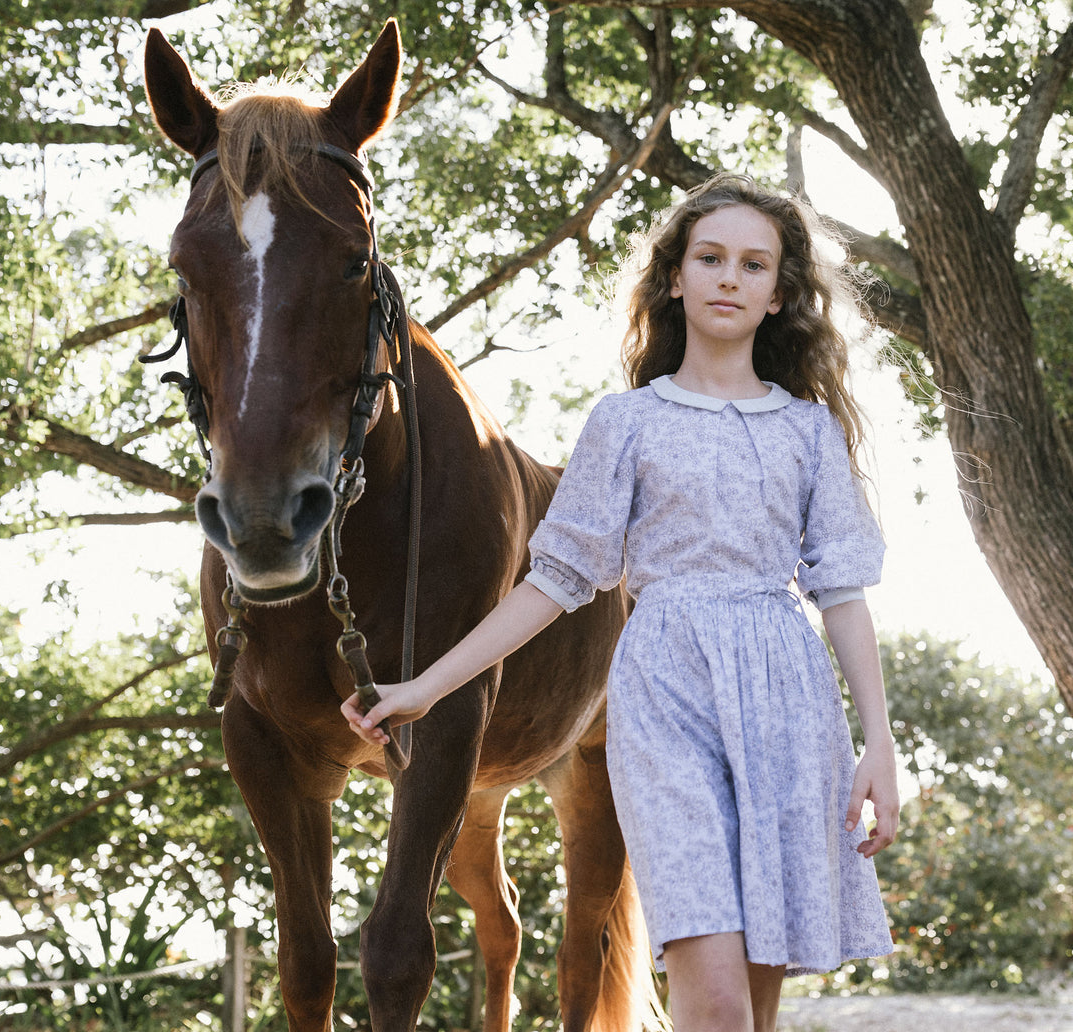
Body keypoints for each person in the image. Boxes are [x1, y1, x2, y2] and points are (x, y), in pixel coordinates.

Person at [343, 172, 898, 1032]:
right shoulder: (625, 424)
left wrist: (878, 746)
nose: (728, 277)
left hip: (787, 698)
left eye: (753, 265)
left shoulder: (806, 432)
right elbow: (555, 582)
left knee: (753, 999)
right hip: (664, 692)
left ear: (779, 294)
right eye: (708, 257)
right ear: (673, 277)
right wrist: (425, 687)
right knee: (710, 997)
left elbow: (842, 592)